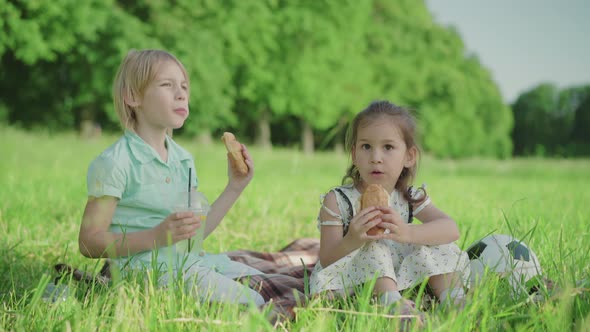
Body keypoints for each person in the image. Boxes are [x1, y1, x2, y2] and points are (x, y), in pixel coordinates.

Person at [78, 49, 265, 306]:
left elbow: (193, 237)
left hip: (188, 261)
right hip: (143, 272)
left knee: (264, 283)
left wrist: (235, 187)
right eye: (167, 85)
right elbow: (89, 242)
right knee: (251, 302)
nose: (181, 93)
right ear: (133, 97)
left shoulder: (183, 159)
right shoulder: (115, 162)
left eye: (184, 87)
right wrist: (156, 236)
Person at [309, 101, 469, 320]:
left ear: (409, 157)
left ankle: (454, 300)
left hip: (400, 273)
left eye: (388, 147)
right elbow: (327, 258)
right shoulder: (338, 200)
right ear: (354, 154)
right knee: (373, 246)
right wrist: (353, 240)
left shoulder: (409, 196)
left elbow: (451, 229)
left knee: (435, 244)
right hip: (352, 277)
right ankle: (393, 307)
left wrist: (408, 232)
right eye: (366, 146)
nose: (376, 157)